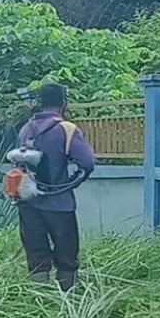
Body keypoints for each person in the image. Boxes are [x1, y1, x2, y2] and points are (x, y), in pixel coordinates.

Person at [15, 83, 97, 292]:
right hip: (59, 204)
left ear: (40, 103)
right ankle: (67, 299)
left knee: (37, 255)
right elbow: (87, 163)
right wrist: (75, 177)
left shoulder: (26, 129)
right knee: (67, 255)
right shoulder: (66, 129)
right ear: (63, 104)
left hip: (28, 203)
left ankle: (40, 300)